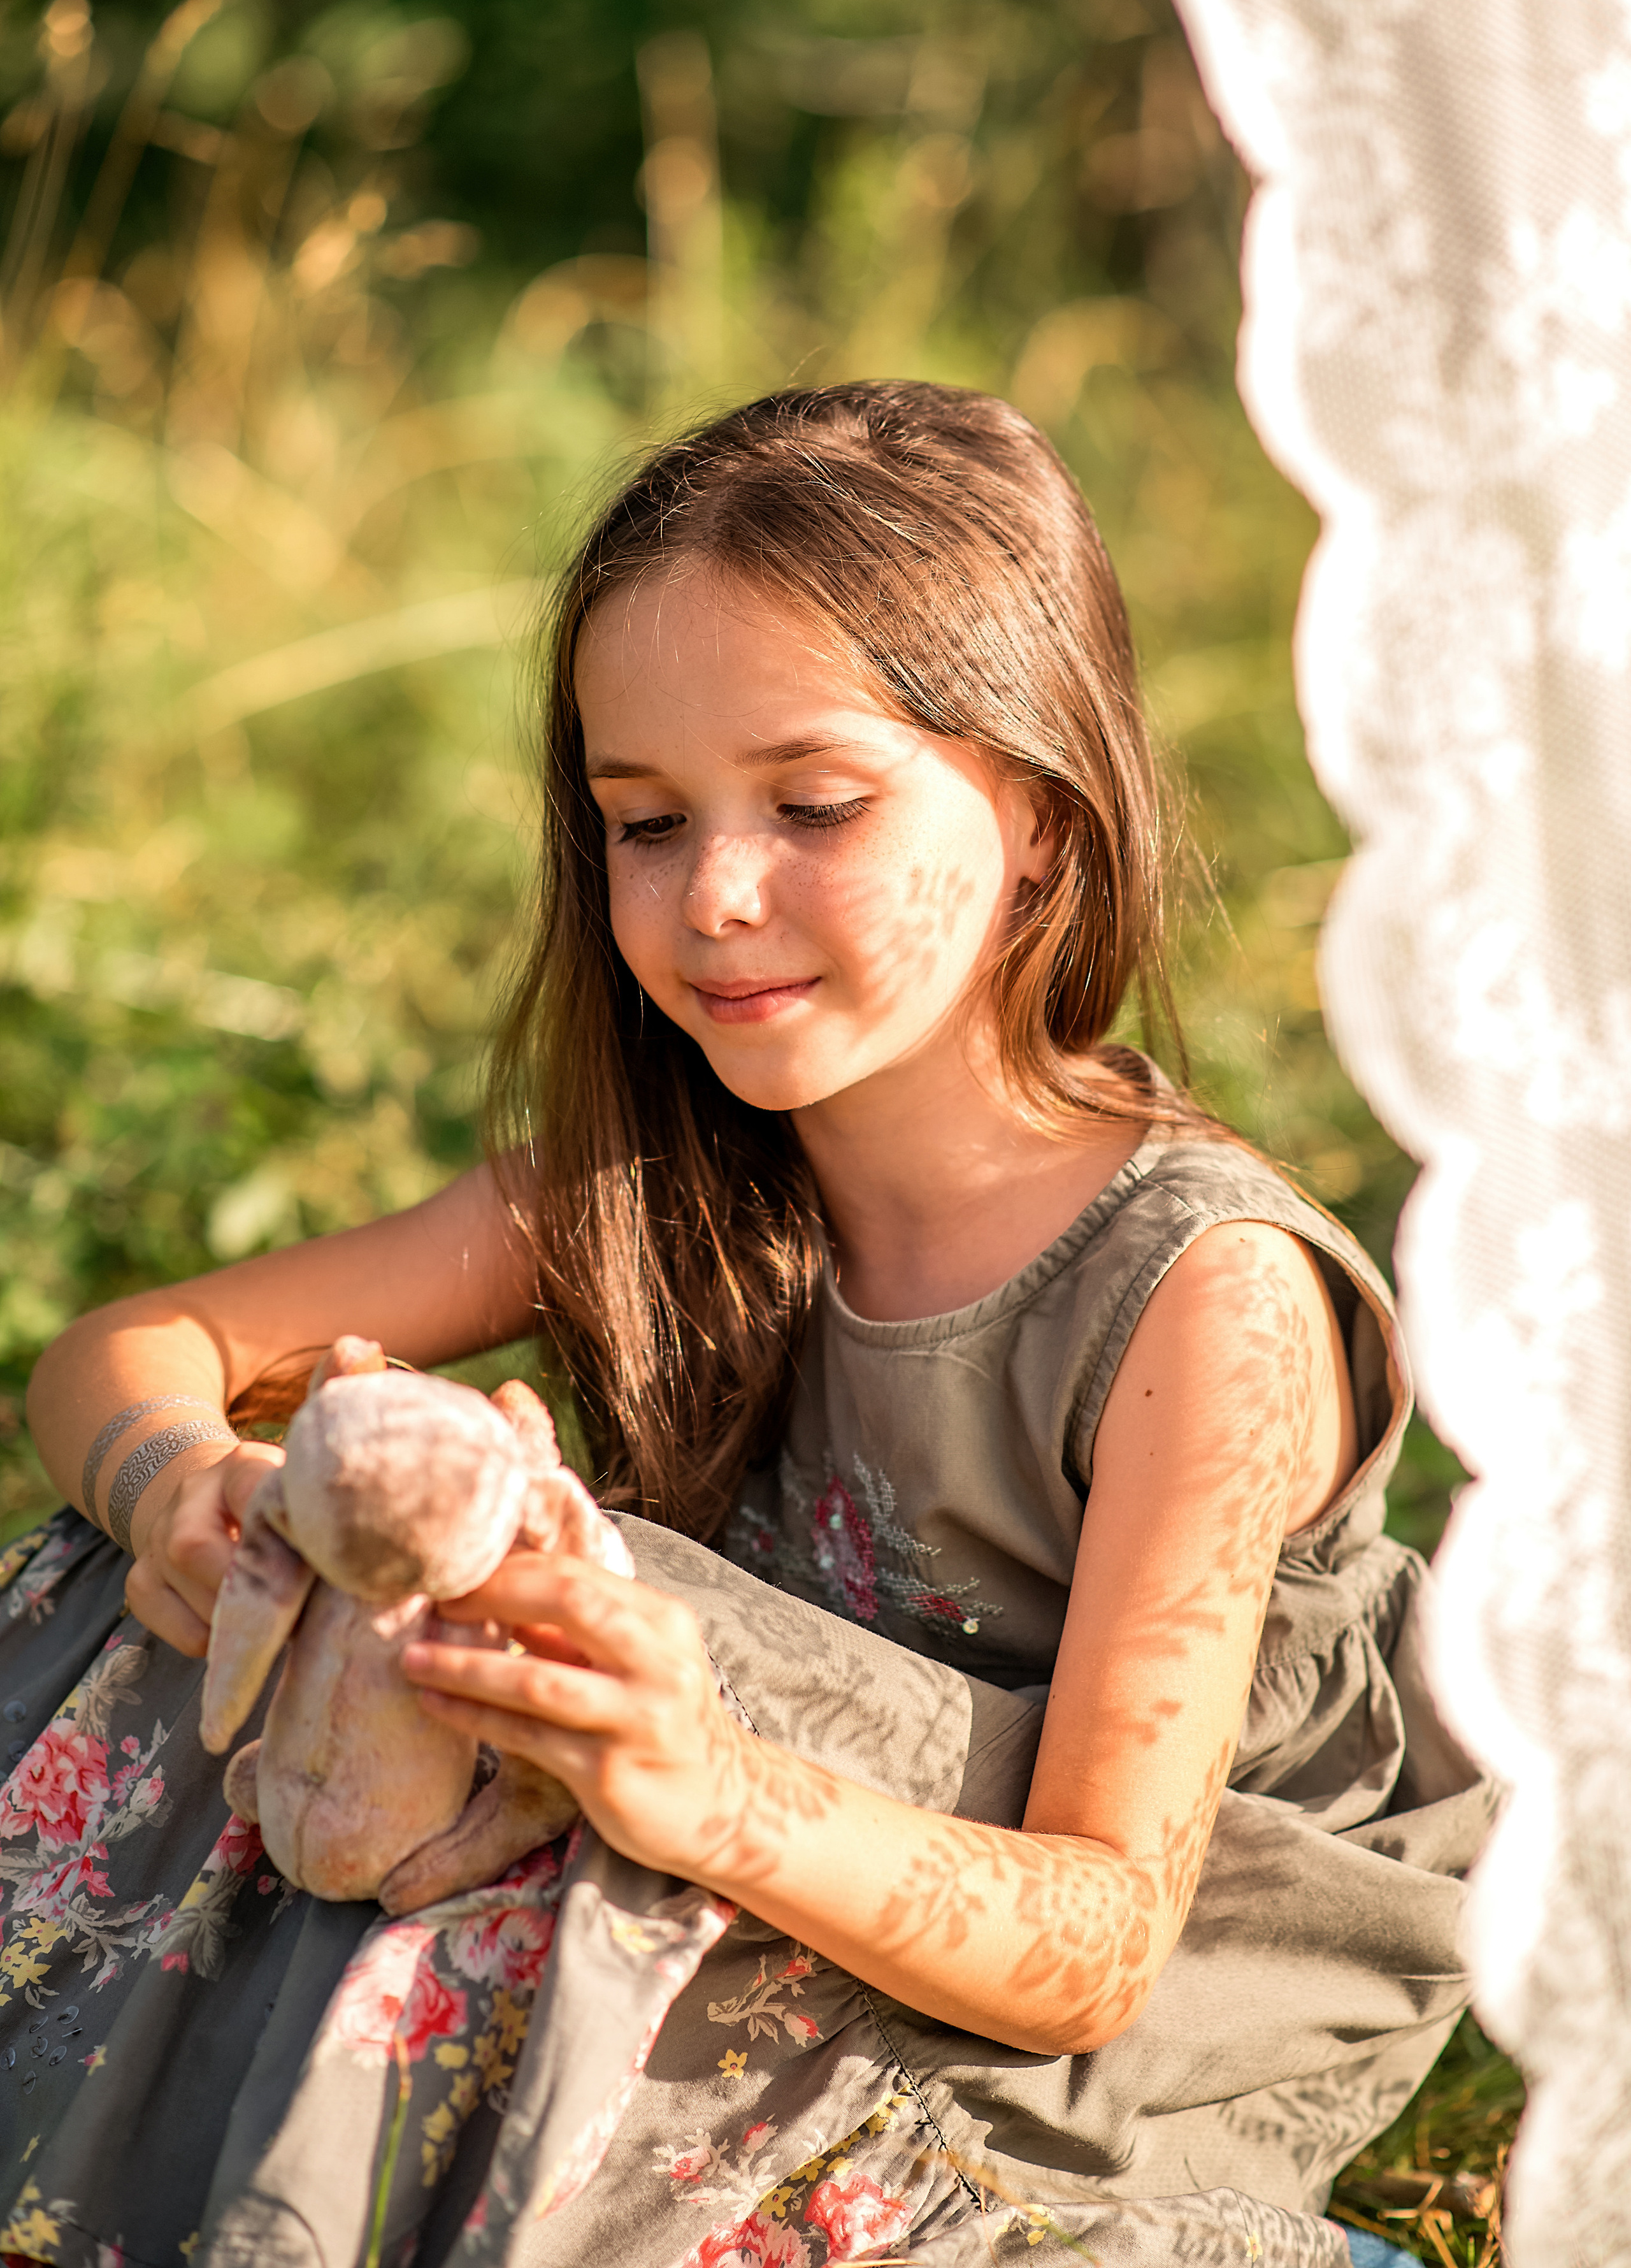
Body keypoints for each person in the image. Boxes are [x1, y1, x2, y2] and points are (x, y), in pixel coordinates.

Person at [1, 383, 1487, 2268]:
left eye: (816, 805)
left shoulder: (1208, 1299)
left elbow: (1099, 1945)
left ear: (1038, 812)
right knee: (202, 1555)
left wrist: (693, 1784)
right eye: (644, 820)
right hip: (699, 1892)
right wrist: (185, 1491)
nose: (715, 896)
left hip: (1009, 2080)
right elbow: (123, 1357)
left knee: (609, 1613)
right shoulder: (658, 1179)